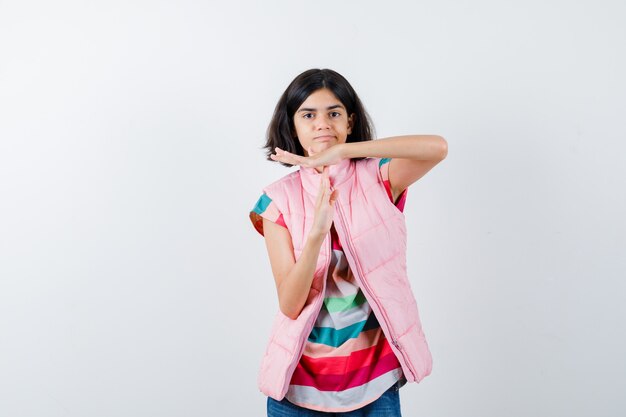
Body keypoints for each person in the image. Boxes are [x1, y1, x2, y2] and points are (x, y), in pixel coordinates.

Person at [250, 68, 447, 416]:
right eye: (308, 114)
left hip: (375, 384)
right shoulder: (277, 201)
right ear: (292, 125)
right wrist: (315, 235)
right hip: (297, 390)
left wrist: (344, 152)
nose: (322, 123)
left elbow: (436, 148)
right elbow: (290, 304)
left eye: (334, 113)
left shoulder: (379, 178)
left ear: (350, 121)